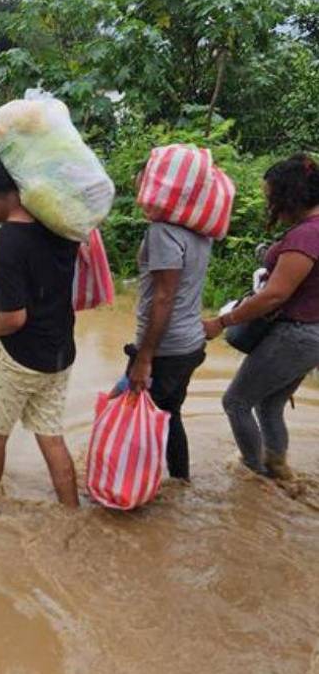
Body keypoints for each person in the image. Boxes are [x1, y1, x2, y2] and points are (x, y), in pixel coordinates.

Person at [0, 154, 81, 507]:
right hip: (60, 352)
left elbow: (13, 318)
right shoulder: (60, 225)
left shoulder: (6, 242)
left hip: (19, 357)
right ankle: (72, 512)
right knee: (51, 436)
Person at [204, 153, 319, 479]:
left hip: (296, 335)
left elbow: (275, 295)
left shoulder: (306, 235)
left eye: (272, 197)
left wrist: (221, 322)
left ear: (290, 195)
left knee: (236, 402)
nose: (269, 204)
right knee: (269, 405)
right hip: (311, 336)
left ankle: (253, 477)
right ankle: (279, 470)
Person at [122, 187, 214, 480]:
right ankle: (179, 482)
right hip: (189, 343)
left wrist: (144, 358)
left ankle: (131, 498)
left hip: (166, 348)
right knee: (170, 415)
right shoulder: (201, 231)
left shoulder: (164, 231)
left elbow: (164, 297)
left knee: (137, 423)